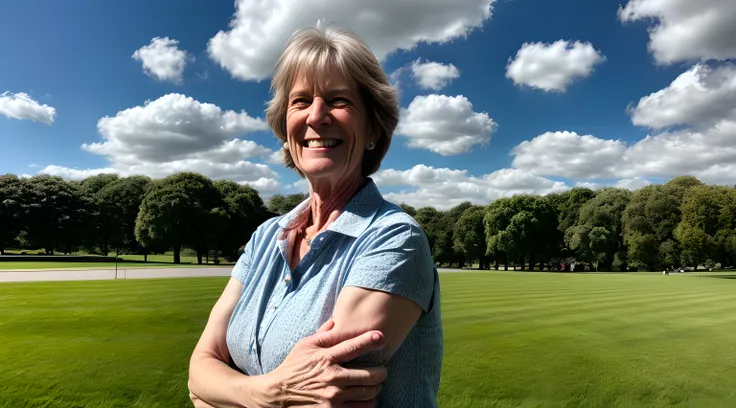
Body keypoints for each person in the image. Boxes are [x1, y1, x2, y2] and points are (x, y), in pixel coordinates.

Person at [188, 24, 443, 407]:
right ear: (284, 125)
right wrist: (269, 395)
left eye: (339, 100)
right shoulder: (265, 237)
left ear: (373, 126)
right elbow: (199, 368)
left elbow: (325, 398)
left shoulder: (394, 239)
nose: (317, 116)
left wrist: (223, 393)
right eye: (301, 101)